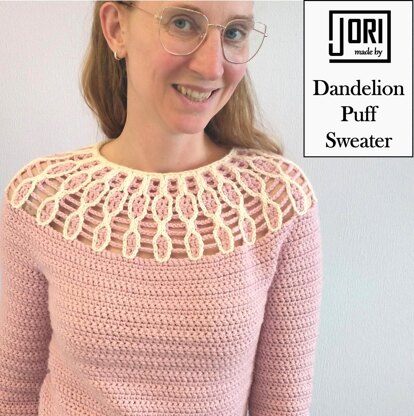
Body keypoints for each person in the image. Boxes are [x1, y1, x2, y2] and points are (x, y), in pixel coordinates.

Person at [0, 1, 323, 415]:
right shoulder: (42, 200)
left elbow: (283, 406)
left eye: (234, 33)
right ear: (116, 28)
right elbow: (15, 393)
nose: (212, 67)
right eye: (182, 23)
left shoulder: (278, 203)